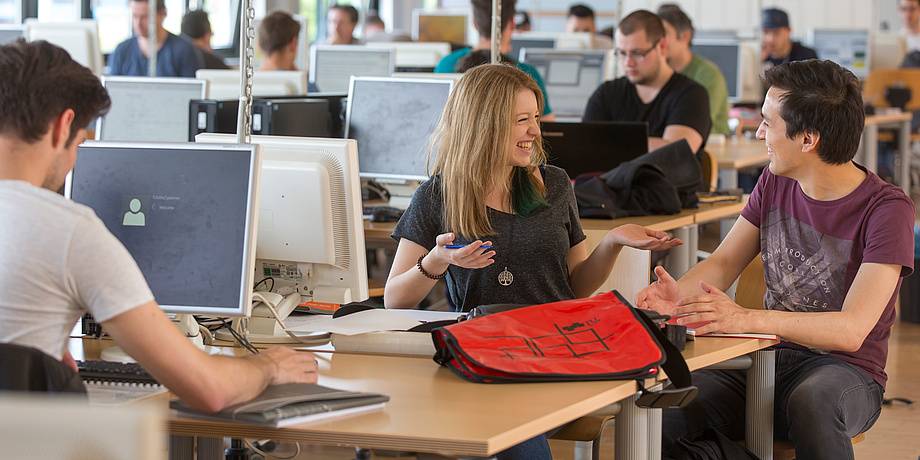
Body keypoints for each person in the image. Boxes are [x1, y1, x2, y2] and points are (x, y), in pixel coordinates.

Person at [0, 39, 318, 411]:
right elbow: (209, 389)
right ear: (63, 127)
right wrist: (267, 366)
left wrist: (42, 366)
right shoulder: (70, 233)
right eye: (80, 143)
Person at [385, 63, 681, 459]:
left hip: (558, 354)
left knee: (512, 432)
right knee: (503, 425)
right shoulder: (438, 195)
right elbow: (395, 301)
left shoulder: (555, 183)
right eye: (522, 120)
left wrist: (610, 243)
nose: (536, 132)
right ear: (484, 125)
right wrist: (436, 261)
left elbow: (574, 286)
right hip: (487, 358)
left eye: (536, 118)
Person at [636, 59, 915, 459]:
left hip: (845, 373)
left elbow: (851, 330)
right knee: (667, 411)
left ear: (808, 140)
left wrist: (746, 318)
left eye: (768, 122)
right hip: (763, 361)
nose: (759, 132)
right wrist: (676, 297)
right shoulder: (774, 179)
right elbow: (723, 261)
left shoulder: (888, 209)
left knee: (813, 402)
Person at [583, 10, 711, 158]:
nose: (628, 63)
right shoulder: (606, 93)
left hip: (664, 181)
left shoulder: (691, 95)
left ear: (662, 46)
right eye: (622, 53)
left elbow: (676, 153)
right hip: (610, 181)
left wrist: (610, 144)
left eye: (638, 53)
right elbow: (585, 145)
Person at [434, 0, 556, 121]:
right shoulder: (526, 74)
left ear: (474, 23)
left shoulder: (446, 64)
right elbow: (548, 129)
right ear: (513, 22)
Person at [656, 4, 731, 137]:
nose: (658, 40)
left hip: (711, 150)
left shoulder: (708, 74)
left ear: (685, 36)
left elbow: (696, 122)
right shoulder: (657, 74)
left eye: (665, 34)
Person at [109, 0, 204, 77]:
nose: (138, 24)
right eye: (134, 16)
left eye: (145, 17)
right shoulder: (121, 52)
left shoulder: (185, 51)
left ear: (163, 14)